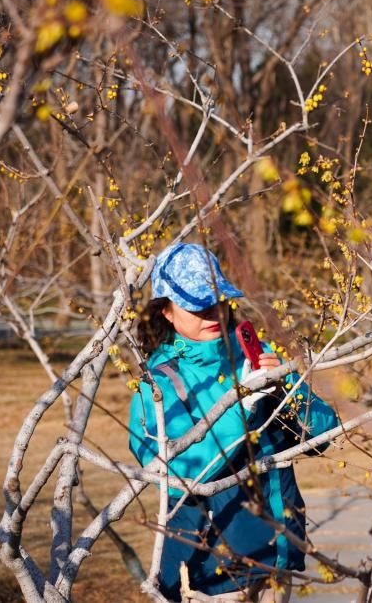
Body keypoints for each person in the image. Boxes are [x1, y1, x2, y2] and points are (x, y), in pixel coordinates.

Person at [129, 242, 340, 602]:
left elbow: (324, 435)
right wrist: (241, 407)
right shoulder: (158, 386)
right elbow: (177, 474)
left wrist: (286, 386)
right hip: (210, 575)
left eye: (217, 302)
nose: (213, 313)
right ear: (165, 311)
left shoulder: (253, 357)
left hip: (275, 561)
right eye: (198, 305)